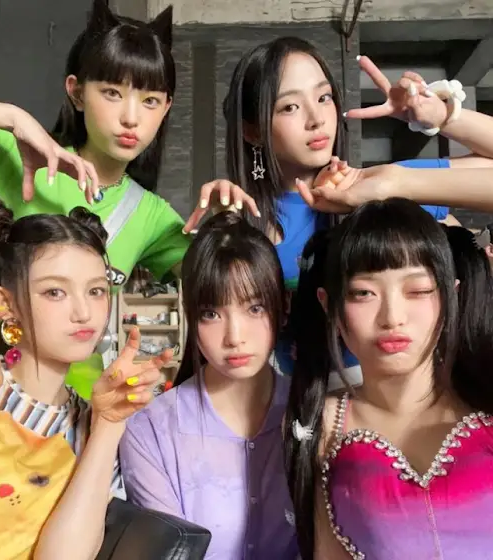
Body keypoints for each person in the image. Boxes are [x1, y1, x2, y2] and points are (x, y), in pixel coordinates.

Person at [184, 38, 493, 377]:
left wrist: (440, 117)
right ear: (252, 131)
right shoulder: (249, 224)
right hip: (302, 402)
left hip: (404, 391)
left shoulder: (379, 187)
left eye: (324, 97)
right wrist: (220, 228)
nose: (316, 119)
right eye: (290, 107)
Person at [0, 0, 187, 397]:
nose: (131, 117)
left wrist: (227, 219)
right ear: (77, 92)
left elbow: (232, 285)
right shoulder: (14, 156)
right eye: (112, 92)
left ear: (166, 107)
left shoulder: (153, 217)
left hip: (74, 405)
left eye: (150, 100)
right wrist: (12, 117)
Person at [0, 196, 168, 559]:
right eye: (55, 291)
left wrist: (108, 427)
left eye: (96, 291)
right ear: (4, 302)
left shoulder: (96, 425)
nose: (84, 312)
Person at [284, 197, 493, 559]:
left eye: (418, 290)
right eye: (364, 293)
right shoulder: (318, 424)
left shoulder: (486, 401)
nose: (393, 317)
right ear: (328, 305)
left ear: (451, 296)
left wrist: (398, 181)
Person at [120, 212, 299, 560]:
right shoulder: (150, 430)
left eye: (255, 308)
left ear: (283, 306)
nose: (234, 337)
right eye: (211, 314)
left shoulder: (315, 415)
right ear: (190, 315)